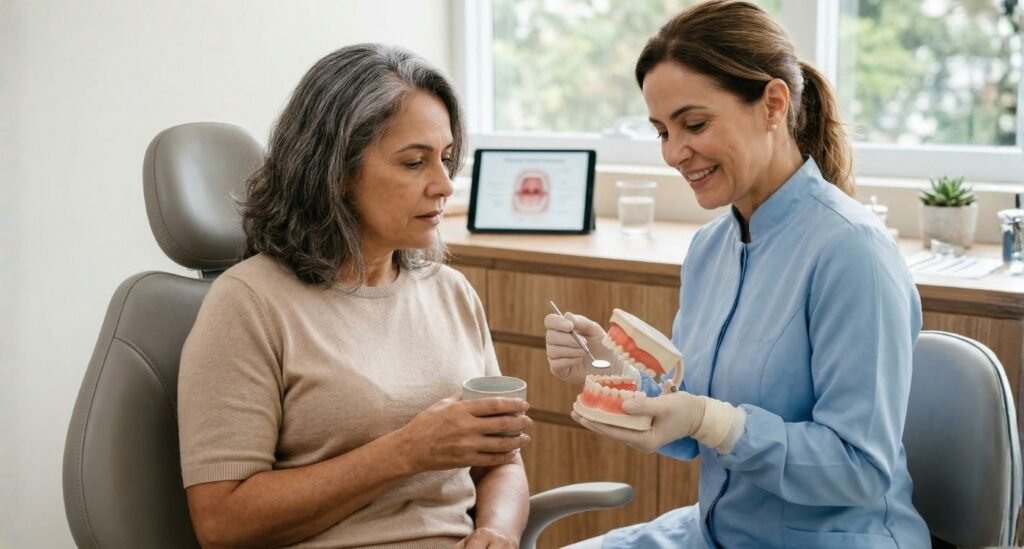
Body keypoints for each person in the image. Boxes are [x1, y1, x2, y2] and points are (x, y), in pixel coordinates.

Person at [545, 1, 930, 547]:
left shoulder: (852, 253)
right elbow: (688, 425)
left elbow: (859, 469)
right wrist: (607, 370)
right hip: (713, 533)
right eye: (661, 131)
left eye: (694, 124)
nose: (675, 153)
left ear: (773, 103)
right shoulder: (710, 249)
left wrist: (715, 422)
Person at [178, 44, 532, 549]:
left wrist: (497, 530)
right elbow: (222, 523)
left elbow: (501, 461)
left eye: (447, 159)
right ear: (336, 173)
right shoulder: (249, 303)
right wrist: (406, 452)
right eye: (414, 163)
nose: (444, 185)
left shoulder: (450, 292)